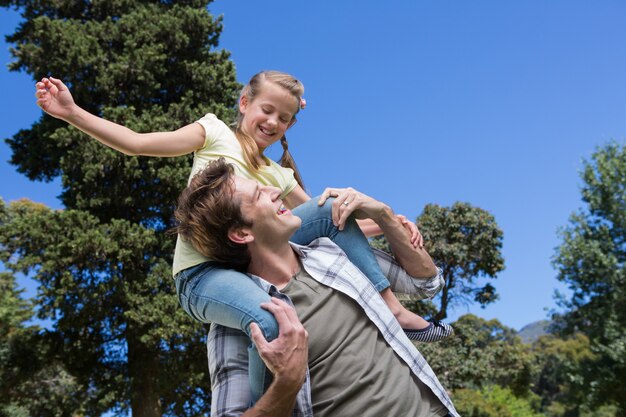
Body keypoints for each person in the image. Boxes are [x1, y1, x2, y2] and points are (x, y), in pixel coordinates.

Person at [35, 71, 452, 398]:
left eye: (284, 117)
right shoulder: (214, 132)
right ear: (244, 103)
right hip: (205, 275)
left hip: (252, 260)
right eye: (266, 110)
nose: (272, 122)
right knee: (270, 318)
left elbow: (335, 219)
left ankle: (392, 310)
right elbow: (138, 143)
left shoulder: (277, 175)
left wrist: (390, 220)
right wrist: (73, 112)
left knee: (330, 204)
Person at [174, 158, 460, 417]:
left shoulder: (331, 249)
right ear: (241, 233)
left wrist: (384, 216)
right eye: (258, 195)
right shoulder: (238, 326)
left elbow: (426, 281)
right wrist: (286, 381)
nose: (275, 191)